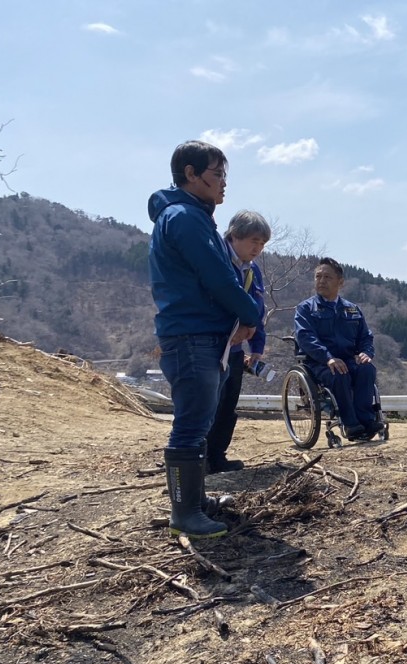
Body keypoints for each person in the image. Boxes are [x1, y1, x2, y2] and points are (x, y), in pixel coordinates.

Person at [149, 140, 260, 539]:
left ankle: (194, 502)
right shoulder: (184, 218)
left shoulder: (195, 217)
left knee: (200, 421)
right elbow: (218, 278)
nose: (223, 184)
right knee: (191, 424)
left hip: (202, 336)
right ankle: (184, 512)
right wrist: (250, 313)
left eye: (225, 176)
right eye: (216, 175)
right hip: (191, 335)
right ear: (190, 174)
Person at [205, 210, 271, 473]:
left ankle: (217, 456)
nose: (258, 248)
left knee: (228, 406)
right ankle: (198, 460)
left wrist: (256, 348)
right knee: (208, 405)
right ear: (234, 236)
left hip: (235, 349)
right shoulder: (217, 260)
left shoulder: (252, 271)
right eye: (253, 241)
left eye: (262, 244)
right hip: (212, 345)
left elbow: (258, 310)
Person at [294, 258, 380, 441]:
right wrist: (328, 357)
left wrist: (366, 352)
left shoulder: (352, 309)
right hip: (320, 363)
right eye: (318, 276)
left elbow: (366, 336)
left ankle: (367, 420)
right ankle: (351, 424)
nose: (321, 281)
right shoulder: (306, 309)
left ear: (340, 282)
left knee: (367, 369)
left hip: (349, 359)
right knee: (339, 373)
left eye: (327, 277)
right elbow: (305, 338)